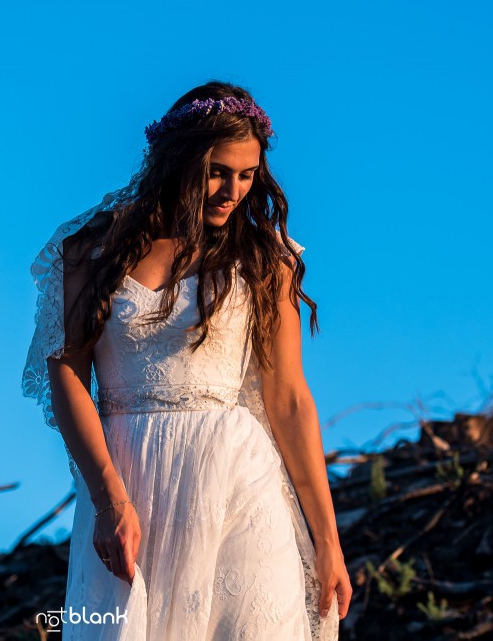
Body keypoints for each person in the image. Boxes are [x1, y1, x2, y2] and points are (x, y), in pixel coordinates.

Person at [22, 80, 352, 640]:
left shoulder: (264, 259)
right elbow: (69, 373)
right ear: (177, 160)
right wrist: (107, 498)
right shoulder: (88, 250)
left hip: (240, 481)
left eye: (247, 175)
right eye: (218, 171)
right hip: (133, 477)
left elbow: (290, 399)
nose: (232, 191)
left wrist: (328, 542)